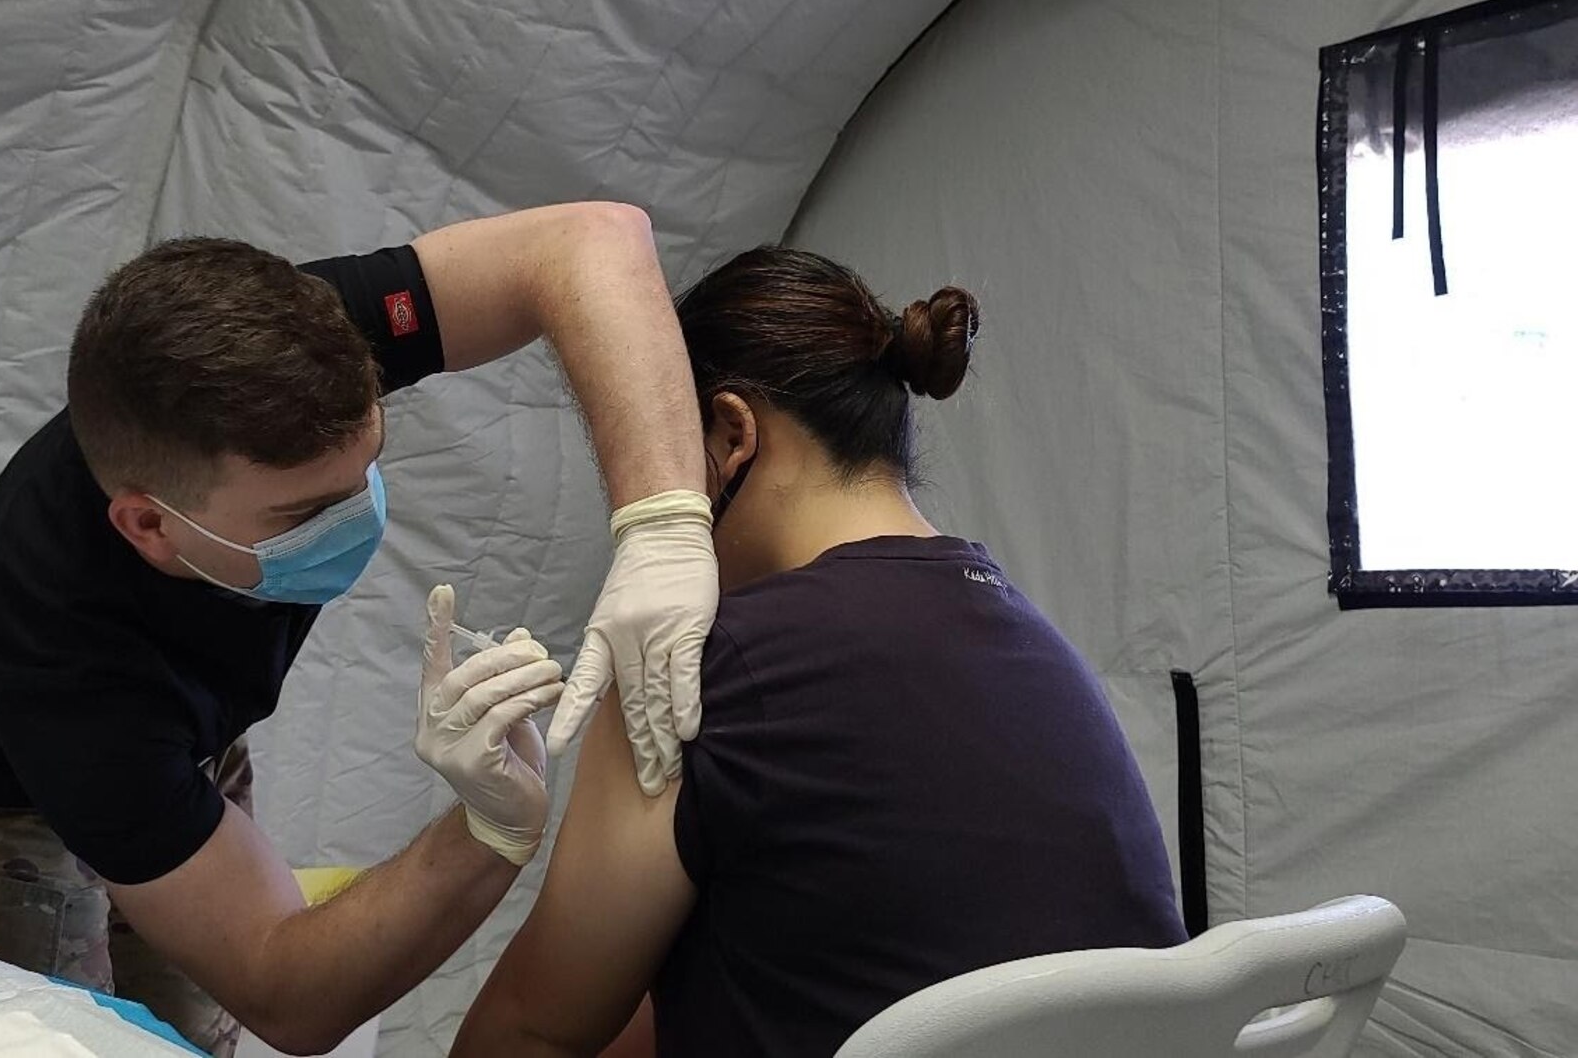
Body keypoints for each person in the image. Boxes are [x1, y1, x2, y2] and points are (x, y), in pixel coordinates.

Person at [0, 203, 720, 1056]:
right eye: (307, 511)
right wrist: (487, 830)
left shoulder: (291, 347)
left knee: (199, 1033)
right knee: (62, 1041)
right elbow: (287, 991)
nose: (355, 516)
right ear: (150, 526)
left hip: (180, 736)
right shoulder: (61, 654)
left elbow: (591, 239)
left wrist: (664, 524)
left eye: (365, 469)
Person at [452, 246, 1188, 1058]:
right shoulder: (1028, 638)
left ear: (731, 433)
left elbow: (531, 1034)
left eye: (653, 477)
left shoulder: (701, 667)